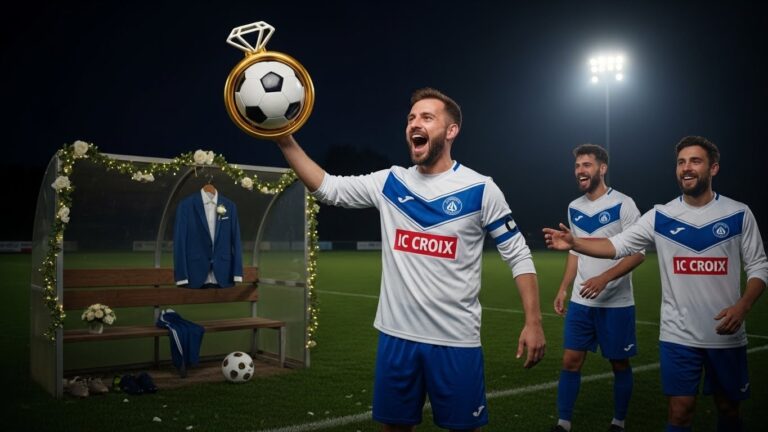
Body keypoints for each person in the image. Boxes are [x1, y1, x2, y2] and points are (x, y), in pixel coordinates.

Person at [272, 87, 546, 431]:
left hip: (455, 340)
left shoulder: (480, 188)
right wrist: (284, 140)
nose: (415, 123)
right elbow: (328, 188)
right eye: (411, 118)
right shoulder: (390, 182)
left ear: (451, 131)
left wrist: (533, 322)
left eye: (427, 117)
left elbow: (518, 254)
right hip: (396, 338)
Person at [543, 136, 768, 432]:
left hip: (725, 333)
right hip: (677, 334)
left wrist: (743, 306)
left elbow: (759, 266)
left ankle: (620, 420)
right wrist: (576, 244)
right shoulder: (660, 215)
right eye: (681, 162)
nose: (686, 168)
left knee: (728, 409)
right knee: (679, 412)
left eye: (695, 161)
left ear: (713, 168)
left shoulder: (739, 213)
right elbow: (617, 245)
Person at [550, 144, 645, 432]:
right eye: (578, 166)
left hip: (616, 303)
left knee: (619, 364)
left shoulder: (624, 204)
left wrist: (604, 279)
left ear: (602, 169)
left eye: (587, 165)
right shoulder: (574, 207)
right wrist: (564, 288)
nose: (580, 170)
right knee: (570, 361)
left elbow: (638, 253)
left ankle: (618, 421)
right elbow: (574, 252)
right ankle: (563, 423)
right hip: (581, 302)